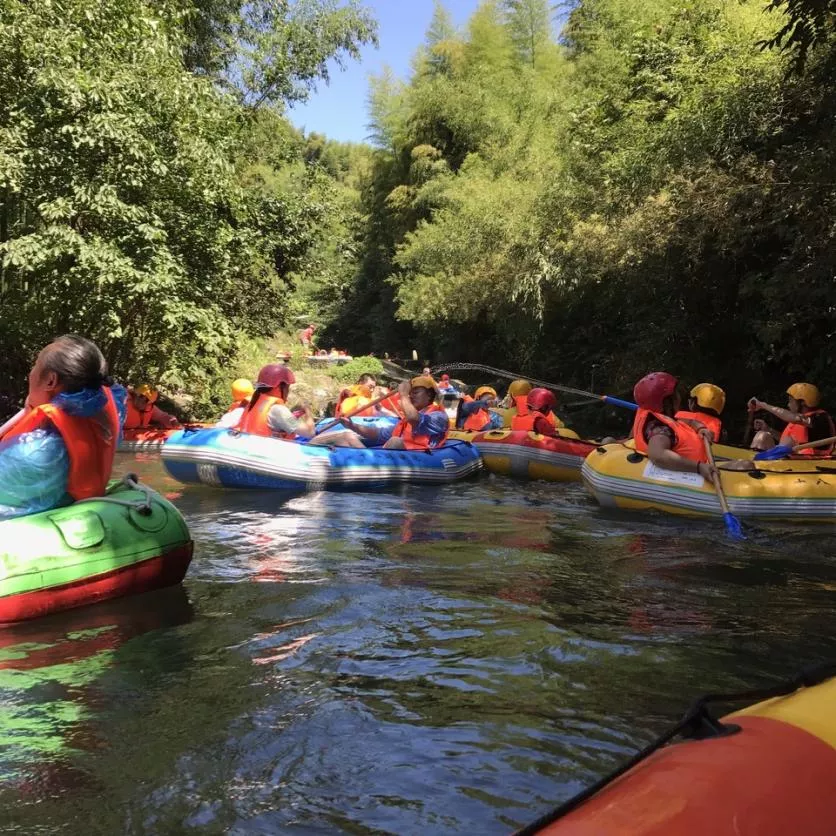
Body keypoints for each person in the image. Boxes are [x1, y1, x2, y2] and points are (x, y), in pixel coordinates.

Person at [0, 335, 127, 519]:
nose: (31, 372)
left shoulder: (36, 452)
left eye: (35, 364)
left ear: (50, 381)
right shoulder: (99, 419)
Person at [632, 372, 752, 476]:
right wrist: (699, 467)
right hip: (695, 470)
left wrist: (700, 427)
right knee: (746, 465)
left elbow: (684, 421)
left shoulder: (663, 418)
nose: (680, 397)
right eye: (676, 394)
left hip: (701, 464)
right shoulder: (660, 429)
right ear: (668, 402)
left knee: (746, 464)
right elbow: (657, 455)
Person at [341, 376, 449, 450]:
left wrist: (403, 394)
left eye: (415, 392)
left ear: (429, 395)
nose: (411, 396)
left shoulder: (439, 417)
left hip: (421, 459)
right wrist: (352, 426)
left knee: (395, 441)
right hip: (400, 459)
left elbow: (414, 418)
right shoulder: (406, 420)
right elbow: (380, 434)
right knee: (346, 437)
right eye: (410, 393)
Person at [748, 383, 835, 456]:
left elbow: (796, 419)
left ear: (803, 402)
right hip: (793, 460)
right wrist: (768, 429)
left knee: (787, 440)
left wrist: (763, 405)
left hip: (811, 465)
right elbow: (787, 443)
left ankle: (757, 464)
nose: (788, 405)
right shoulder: (802, 420)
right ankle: (755, 463)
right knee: (763, 435)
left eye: (791, 401)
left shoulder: (820, 419)